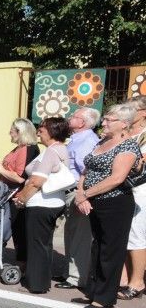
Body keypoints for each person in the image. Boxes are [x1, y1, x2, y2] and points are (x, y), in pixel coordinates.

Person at [74, 103, 142, 308]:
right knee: (97, 247)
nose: (103, 123)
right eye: (104, 119)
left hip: (115, 202)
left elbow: (116, 178)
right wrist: (81, 195)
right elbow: (86, 172)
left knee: (111, 250)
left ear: (124, 124)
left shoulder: (127, 146)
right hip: (94, 201)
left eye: (108, 120)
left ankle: (104, 297)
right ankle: (93, 290)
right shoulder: (102, 141)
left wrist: (85, 194)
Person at [10, 117, 72, 294]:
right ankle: (41, 281)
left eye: (42, 130)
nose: (38, 132)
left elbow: (36, 181)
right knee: (44, 244)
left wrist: (21, 198)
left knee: (37, 245)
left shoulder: (51, 152)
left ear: (52, 132)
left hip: (42, 203)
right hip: (53, 202)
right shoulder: (61, 149)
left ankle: (36, 284)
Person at [57, 107, 100, 289]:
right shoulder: (77, 139)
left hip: (78, 191)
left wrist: (83, 196)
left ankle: (77, 278)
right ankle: (69, 272)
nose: (70, 118)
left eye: (74, 116)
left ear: (82, 122)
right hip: (71, 190)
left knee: (80, 236)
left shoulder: (87, 141)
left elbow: (87, 170)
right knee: (71, 233)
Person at [0, 118, 40, 269]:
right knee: (10, 227)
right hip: (8, 193)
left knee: (18, 229)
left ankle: (23, 263)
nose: (9, 133)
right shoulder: (19, 148)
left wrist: (0, 169)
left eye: (12, 131)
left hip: (17, 195)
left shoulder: (28, 149)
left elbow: (21, 178)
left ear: (20, 132)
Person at [119, 96, 146, 299]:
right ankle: (128, 279)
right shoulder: (127, 132)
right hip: (124, 188)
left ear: (143, 113)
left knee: (137, 235)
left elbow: (140, 162)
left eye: (131, 109)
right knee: (128, 235)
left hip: (141, 189)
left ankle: (137, 282)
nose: (126, 112)